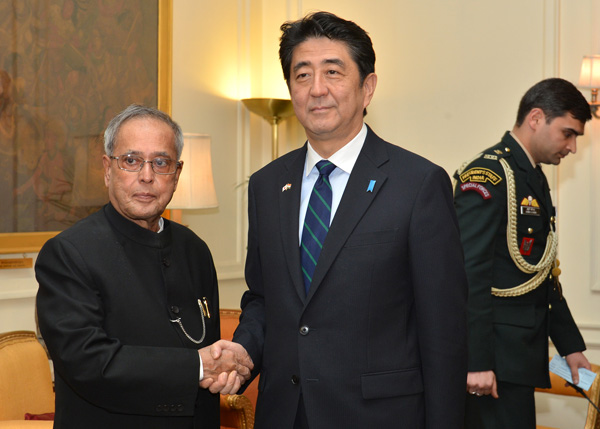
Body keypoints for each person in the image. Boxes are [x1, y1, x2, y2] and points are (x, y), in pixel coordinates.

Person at [226, 11, 468, 428]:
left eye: (333, 72)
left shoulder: (418, 184)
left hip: (378, 416)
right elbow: (265, 297)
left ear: (367, 87)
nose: (317, 89)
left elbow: (443, 329)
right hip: (285, 414)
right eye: (302, 75)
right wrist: (244, 349)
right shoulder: (267, 185)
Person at [35, 104, 253, 428]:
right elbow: (90, 363)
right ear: (108, 169)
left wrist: (225, 370)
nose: (147, 176)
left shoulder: (195, 251)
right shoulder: (68, 253)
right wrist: (198, 367)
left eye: (160, 162)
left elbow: (207, 355)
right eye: (132, 161)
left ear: (176, 175)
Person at [453, 78, 592, 428]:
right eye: (568, 133)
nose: (572, 147)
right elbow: (470, 273)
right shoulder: (489, 175)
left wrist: (569, 345)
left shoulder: (532, 176)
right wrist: (477, 362)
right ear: (535, 118)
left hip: (517, 358)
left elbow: (540, 274)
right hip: (493, 365)